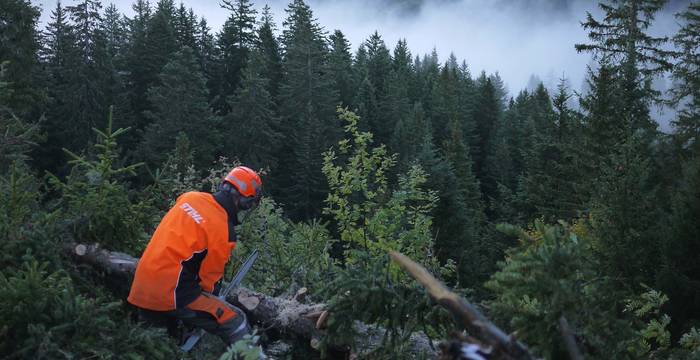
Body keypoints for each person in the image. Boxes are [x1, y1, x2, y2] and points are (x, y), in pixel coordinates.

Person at [128, 166, 262, 345]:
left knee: (156, 346)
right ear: (245, 201)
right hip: (171, 294)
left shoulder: (189, 197)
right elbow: (208, 283)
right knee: (235, 320)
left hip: (141, 286)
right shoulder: (224, 230)